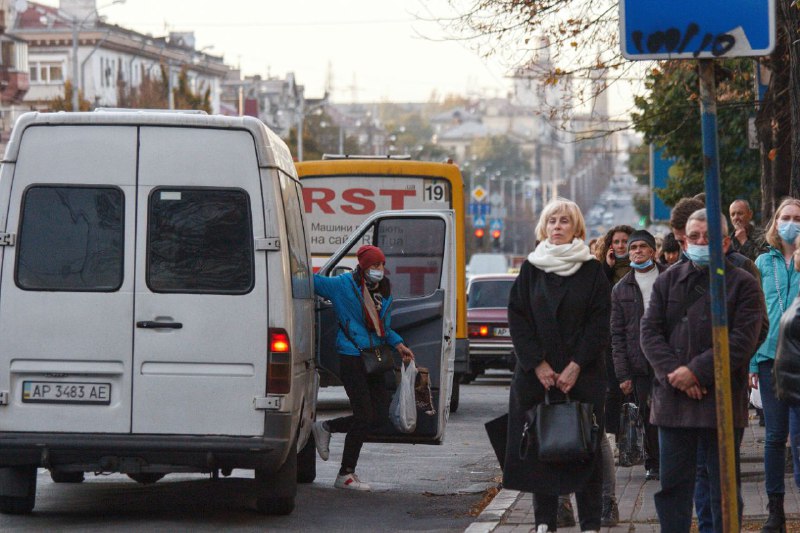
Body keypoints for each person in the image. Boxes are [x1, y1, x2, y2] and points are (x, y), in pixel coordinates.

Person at [641, 208, 764, 533]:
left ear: (724, 243)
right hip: (673, 402)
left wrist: (696, 372)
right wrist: (676, 375)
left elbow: (742, 340)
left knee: (723, 491)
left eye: (707, 237)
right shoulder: (668, 280)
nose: (699, 243)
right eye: (693, 237)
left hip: (720, 401)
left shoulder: (743, 284)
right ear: (684, 241)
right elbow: (650, 333)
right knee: (673, 491)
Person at [504, 197, 610, 533]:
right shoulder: (531, 268)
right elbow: (518, 317)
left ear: (576, 227)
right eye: (552, 221)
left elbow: (599, 322)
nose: (557, 227)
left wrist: (576, 365)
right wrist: (538, 364)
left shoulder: (592, 270)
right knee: (540, 449)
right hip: (537, 378)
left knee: (585, 449)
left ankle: (591, 523)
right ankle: (544, 522)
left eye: (564, 221)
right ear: (543, 227)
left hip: (582, 376)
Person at [311, 245, 415, 491]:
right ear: (363, 266)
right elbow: (309, 281)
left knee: (379, 416)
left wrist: (398, 344)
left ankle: (327, 427)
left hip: (377, 356)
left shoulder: (384, 291)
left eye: (381, 265)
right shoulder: (342, 285)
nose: (379, 270)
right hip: (351, 356)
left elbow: (383, 328)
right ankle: (345, 474)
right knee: (364, 415)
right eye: (374, 266)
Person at [750, 197, 800, 531]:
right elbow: (755, 312)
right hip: (769, 356)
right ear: (775, 222)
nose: (791, 223)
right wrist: (753, 362)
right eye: (786, 217)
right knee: (774, 436)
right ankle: (775, 509)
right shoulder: (762, 262)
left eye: (798, 217)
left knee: (798, 436)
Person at [611, 230, 667, 481]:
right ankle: (653, 462)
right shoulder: (621, 289)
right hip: (639, 362)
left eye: (643, 247)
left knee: (669, 411)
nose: (637, 251)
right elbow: (617, 335)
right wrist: (623, 373)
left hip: (668, 359)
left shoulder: (669, 277)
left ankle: (671, 459)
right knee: (647, 415)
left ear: (653, 251)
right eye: (633, 248)